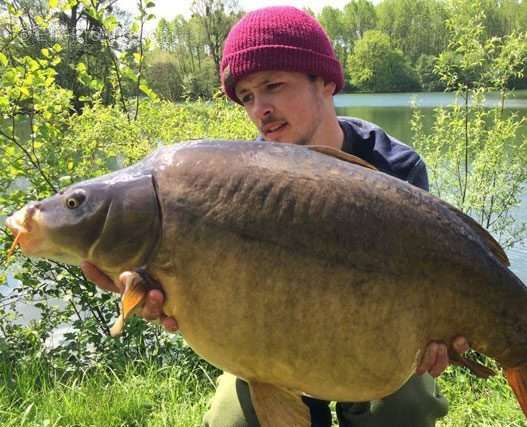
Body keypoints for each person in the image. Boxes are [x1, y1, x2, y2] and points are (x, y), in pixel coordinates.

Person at [81, 6, 469, 427]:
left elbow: (432, 283)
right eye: (247, 96)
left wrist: (440, 334)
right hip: (268, 340)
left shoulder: (395, 169)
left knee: (404, 407)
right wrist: (154, 289)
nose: (259, 109)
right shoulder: (237, 185)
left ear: (324, 82)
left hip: (372, 340)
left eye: (273, 86)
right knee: (232, 420)